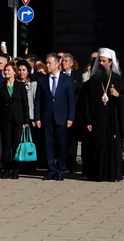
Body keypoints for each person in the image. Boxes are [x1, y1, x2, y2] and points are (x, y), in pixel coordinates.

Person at [79, 48, 124, 182]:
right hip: (97, 121)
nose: (101, 63)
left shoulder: (119, 80)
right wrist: (88, 121)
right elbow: (85, 104)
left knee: (113, 147)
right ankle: (97, 175)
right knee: (97, 148)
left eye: (104, 61)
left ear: (110, 62)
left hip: (113, 121)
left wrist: (117, 96)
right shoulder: (91, 82)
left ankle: (113, 175)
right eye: (99, 61)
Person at [35, 52, 75, 181]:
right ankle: (51, 169)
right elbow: (38, 100)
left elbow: (71, 101)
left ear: (57, 64)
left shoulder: (66, 80)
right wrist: (37, 117)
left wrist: (70, 118)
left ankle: (61, 170)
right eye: (46, 63)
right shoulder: (42, 80)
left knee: (62, 145)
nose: (47, 65)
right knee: (49, 146)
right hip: (47, 118)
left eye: (49, 63)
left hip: (62, 118)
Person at [0, 61, 30, 179]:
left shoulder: (20, 86)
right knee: (6, 145)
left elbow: (25, 104)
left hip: (18, 119)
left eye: (8, 70)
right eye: (5, 70)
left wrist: (26, 121)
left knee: (16, 145)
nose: (6, 72)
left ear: (14, 72)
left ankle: (16, 169)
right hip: (5, 119)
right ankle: (5, 168)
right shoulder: (0, 85)